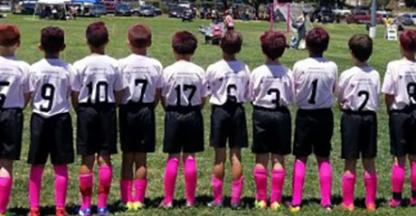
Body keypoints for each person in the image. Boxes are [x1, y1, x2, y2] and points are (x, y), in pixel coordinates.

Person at [71, 21, 126, 216]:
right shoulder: (114, 64)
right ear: (107, 41)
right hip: (106, 110)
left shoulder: (79, 64)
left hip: (86, 110)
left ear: (87, 41)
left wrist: (81, 110)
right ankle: (102, 205)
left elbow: (75, 94)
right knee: (105, 157)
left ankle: (86, 206)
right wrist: (113, 106)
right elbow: (120, 92)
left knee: (87, 158)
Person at [289, 27, 337, 213]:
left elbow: (294, 89)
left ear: (307, 44)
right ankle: (326, 201)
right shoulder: (332, 66)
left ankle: (296, 201)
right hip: (324, 115)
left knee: (301, 157)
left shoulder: (300, 65)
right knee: (323, 157)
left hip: (305, 115)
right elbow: (333, 88)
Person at [27, 26, 74, 216]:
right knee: (60, 166)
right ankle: (60, 208)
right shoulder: (69, 69)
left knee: (36, 165)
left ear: (40, 46)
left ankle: (34, 208)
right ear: (63, 47)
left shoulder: (34, 69)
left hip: (40, 118)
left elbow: (30, 93)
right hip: (60, 118)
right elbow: (71, 92)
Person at [160, 31, 207, 208]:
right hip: (193, 114)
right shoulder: (199, 71)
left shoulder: (168, 71)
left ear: (174, 49)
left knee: (173, 157)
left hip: (173, 113)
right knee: (190, 157)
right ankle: (190, 199)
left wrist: (169, 109)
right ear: (193, 50)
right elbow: (203, 98)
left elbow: (163, 96)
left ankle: (168, 199)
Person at [118, 24, 162, 211]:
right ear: (149, 42)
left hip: (127, 110)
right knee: (141, 158)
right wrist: (150, 106)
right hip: (146, 110)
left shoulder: (121, 64)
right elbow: (158, 93)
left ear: (128, 42)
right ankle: (140, 199)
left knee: (128, 157)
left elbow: (118, 92)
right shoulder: (156, 65)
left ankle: (126, 198)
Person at [249, 31, 294, 210]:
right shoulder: (287, 72)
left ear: (263, 50)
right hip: (281, 115)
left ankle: (261, 198)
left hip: (261, 114)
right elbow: (290, 97)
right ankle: (275, 199)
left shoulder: (257, 72)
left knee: (261, 156)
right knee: (278, 157)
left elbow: (251, 95)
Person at [206, 30, 250, 208]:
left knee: (219, 157)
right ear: (239, 48)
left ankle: (217, 199)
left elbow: (208, 90)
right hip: (237, 111)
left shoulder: (213, 68)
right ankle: (235, 198)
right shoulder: (245, 68)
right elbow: (247, 93)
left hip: (220, 111)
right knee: (236, 155)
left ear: (220, 45)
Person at [338, 34, 380, 212]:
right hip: (369, 118)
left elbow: (340, 96)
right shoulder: (375, 74)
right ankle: (371, 202)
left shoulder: (347, 74)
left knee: (350, 161)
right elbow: (377, 95)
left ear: (352, 53)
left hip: (352, 118)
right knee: (369, 162)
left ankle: (348, 202)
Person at [382, 29, 416, 208]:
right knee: (414, 158)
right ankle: (415, 197)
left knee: (399, 157)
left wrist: (389, 109)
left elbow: (388, 93)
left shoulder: (394, 65)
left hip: (399, 114)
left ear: (401, 46)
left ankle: (396, 197)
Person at [0, 24, 30, 216]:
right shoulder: (23, 67)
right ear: (18, 44)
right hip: (11, 113)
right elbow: (27, 95)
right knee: (5, 164)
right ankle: (1, 208)